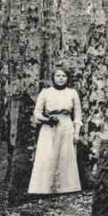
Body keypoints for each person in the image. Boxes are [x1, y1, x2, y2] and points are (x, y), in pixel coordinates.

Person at [27, 67, 83, 195]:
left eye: (64, 76)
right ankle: (44, 188)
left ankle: (65, 188)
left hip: (66, 125)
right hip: (49, 127)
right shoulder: (45, 92)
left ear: (67, 78)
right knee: (47, 155)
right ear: (53, 78)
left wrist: (76, 132)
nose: (61, 78)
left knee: (65, 155)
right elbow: (37, 112)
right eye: (58, 76)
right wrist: (46, 120)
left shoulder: (72, 93)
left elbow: (78, 115)